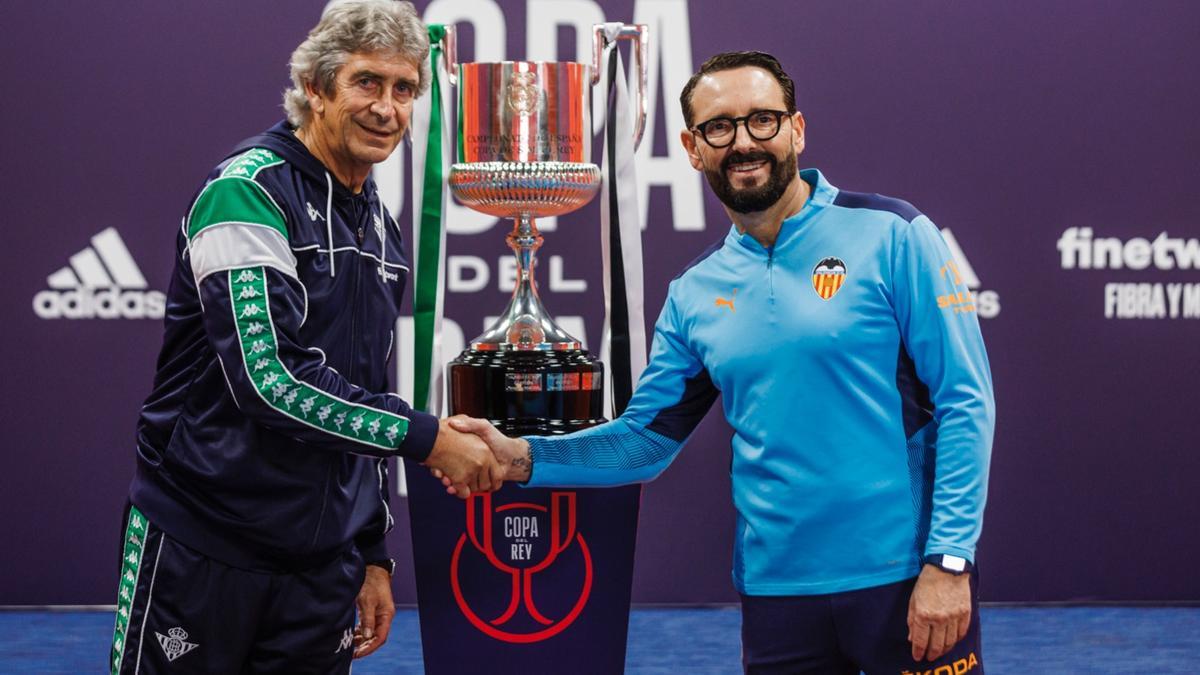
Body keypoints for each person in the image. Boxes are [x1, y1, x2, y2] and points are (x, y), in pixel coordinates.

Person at [447, 51, 995, 674]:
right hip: (776, 594)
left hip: (904, 578)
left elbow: (964, 401)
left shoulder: (894, 234)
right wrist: (517, 458)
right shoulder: (695, 291)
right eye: (719, 127)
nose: (743, 142)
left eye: (763, 120)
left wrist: (950, 560)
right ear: (692, 146)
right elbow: (643, 442)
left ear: (797, 129)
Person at [110, 2, 500, 673]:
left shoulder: (382, 227)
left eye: (404, 88)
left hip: (321, 568)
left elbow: (367, 394)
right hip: (201, 543)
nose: (387, 108)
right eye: (366, 83)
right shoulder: (246, 193)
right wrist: (430, 438)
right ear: (315, 87)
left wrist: (373, 549)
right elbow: (271, 380)